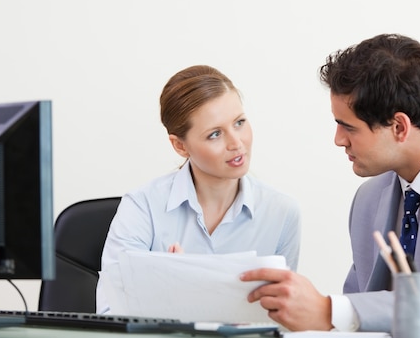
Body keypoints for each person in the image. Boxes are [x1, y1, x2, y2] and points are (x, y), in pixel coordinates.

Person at [240, 34, 420, 336]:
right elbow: (359, 318)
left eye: (348, 126)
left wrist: (330, 310)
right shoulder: (369, 199)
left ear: (399, 127)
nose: (338, 139)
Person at [96, 64, 301, 314]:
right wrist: (171, 288)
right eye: (215, 134)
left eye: (239, 123)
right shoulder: (142, 207)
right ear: (180, 146)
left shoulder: (281, 213)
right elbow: (111, 314)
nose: (236, 143)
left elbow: (281, 317)